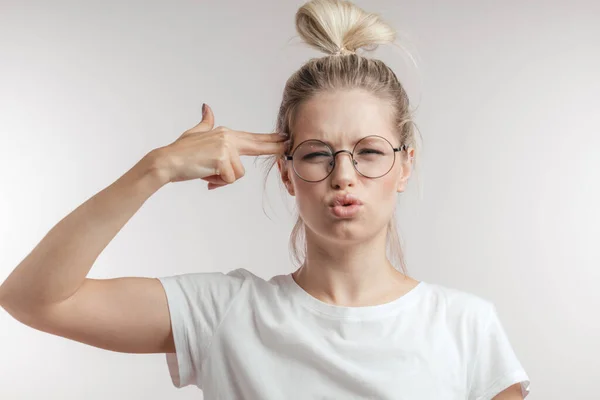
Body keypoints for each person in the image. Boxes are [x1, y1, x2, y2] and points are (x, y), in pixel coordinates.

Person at [0, 0, 530, 399]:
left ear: (405, 165)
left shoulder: (466, 326)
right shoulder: (224, 313)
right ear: (286, 171)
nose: (343, 175)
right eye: (318, 154)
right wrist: (155, 168)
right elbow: (33, 298)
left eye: (369, 152)